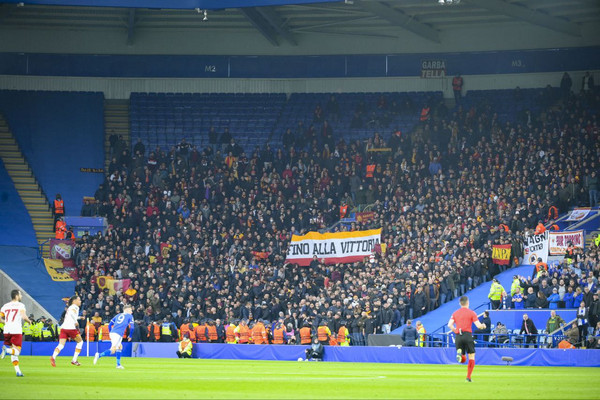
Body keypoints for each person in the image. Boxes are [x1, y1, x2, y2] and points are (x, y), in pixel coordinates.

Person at [447, 296, 487, 382]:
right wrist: (483, 326)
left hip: (458, 336)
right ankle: (468, 377)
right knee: (471, 356)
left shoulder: (455, 313)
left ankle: (460, 354)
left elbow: (449, 325)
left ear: (460, 303)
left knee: (463, 359)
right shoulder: (471, 313)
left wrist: (455, 330)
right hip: (467, 335)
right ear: (468, 302)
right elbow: (479, 326)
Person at [0, 289, 30, 377]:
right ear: (16, 296)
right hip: (16, 330)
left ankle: (18, 371)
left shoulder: (5, 306)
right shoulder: (21, 305)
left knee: (14, 352)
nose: (21, 296)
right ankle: (6, 350)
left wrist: (5, 322)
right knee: (17, 351)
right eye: (20, 294)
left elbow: (0, 319)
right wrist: (29, 321)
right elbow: (24, 317)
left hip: (7, 330)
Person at [93, 305, 134, 369]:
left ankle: (118, 365)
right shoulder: (130, 316)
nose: (132, 312)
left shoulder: (118, 315)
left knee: (119, 347)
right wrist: (130, 335)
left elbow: (110, 325)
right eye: (131, 310)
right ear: (127, 310)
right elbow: (132, 327)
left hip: (114, 333)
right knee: (113, 350)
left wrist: (110, 332)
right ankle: (99, 355)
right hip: (118, 334)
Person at [50, 295, 84, 367]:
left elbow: (72, 316)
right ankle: (74, 360)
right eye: (79, 300)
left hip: (63, 328)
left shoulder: (70, 307)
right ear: (74, 301)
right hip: (70, 328)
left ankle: (53, 357)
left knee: (61, 345)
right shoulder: (75, 307)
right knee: (80, 342)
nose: (80, 301)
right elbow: (72, 314)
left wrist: (80, 318)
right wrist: (75, 321)